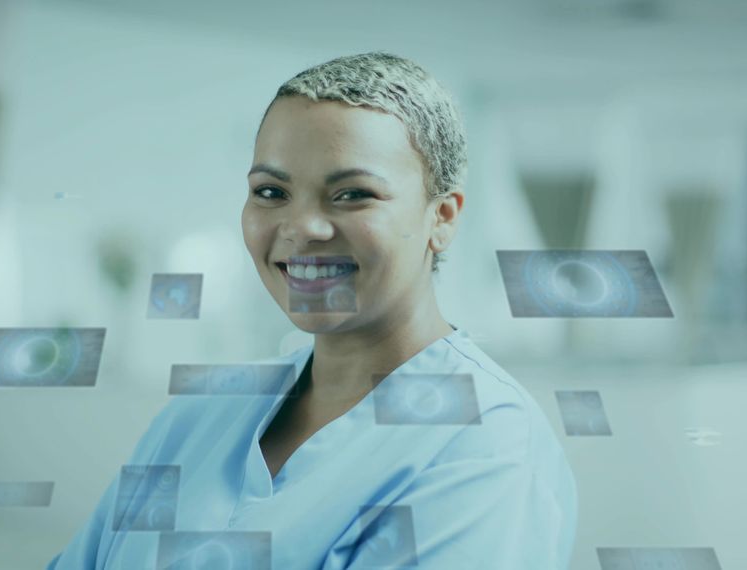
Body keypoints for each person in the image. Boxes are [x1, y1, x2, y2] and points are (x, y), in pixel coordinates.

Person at [47, 51, 577, 569]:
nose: (301, 228)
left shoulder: (484, 445)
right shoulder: (199, 415)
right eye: (271, 191)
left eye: (352, 194)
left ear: (442, 217)